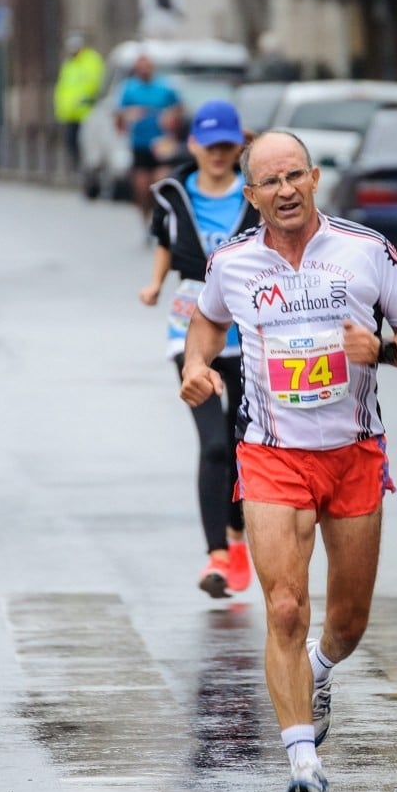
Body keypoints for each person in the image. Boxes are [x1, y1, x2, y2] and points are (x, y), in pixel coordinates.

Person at [179, 129, 397, 792]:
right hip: (272, 454)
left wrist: (379, 348)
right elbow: (205, 327)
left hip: (354, 453)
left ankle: (319, 670)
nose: (286, 190)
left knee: (346, 623)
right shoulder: (232, 262)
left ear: (315, 177)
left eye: (296, 175)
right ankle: (304, 767)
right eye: (271, 182)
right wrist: (197, 368)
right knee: (286, 608)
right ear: (251, 193)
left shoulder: (365, 250)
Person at [139, 100, 260, 599]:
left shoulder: (255, 196)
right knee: (214, 443)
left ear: (240, 146)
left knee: (243, 445)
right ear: (193, 146)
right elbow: (166, 242)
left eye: (227, 146)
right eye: (209, 146)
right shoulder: (171, 195)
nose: (217, 154)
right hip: (191, 333)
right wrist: (153, 284)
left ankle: (237, 536)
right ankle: (217, 555)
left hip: (252, 336)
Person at [116, 53, 182, 227]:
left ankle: (161, 219)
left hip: (162, 144)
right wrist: (128, 115)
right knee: (141, 186)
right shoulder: (129, 89)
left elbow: (179, 109)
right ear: (136, 69)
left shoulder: (165, 87)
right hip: (140, 144)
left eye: (147, 66)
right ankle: (145, 218)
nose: (144, 70)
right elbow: (119, 117)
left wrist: (170, 116)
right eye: (141, 67)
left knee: (161, 181)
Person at [53, 32, 104, 172]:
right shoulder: (68, 64)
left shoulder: (92, 60)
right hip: (70, 114)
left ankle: (87, 169)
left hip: (87, 112)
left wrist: (89, 99)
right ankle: (78, 169)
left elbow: (96, 83)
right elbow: (63, 87)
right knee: (71, 143)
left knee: (87, 143)